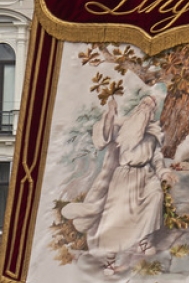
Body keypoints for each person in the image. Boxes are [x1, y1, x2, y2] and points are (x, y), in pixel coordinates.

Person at [60, 94, 177, 268]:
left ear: (152, 112)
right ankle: (110, 259)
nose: (145, 108)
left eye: (149, 106)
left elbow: (157, 158)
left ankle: (143, 241)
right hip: (124, 177)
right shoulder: (124, 126)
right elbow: (103, 138)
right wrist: (110, 114)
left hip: (145, 175)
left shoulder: (153, 133)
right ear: (138, 106)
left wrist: (163, 172)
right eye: (143, 104)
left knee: (155, 196)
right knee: (115, 218)